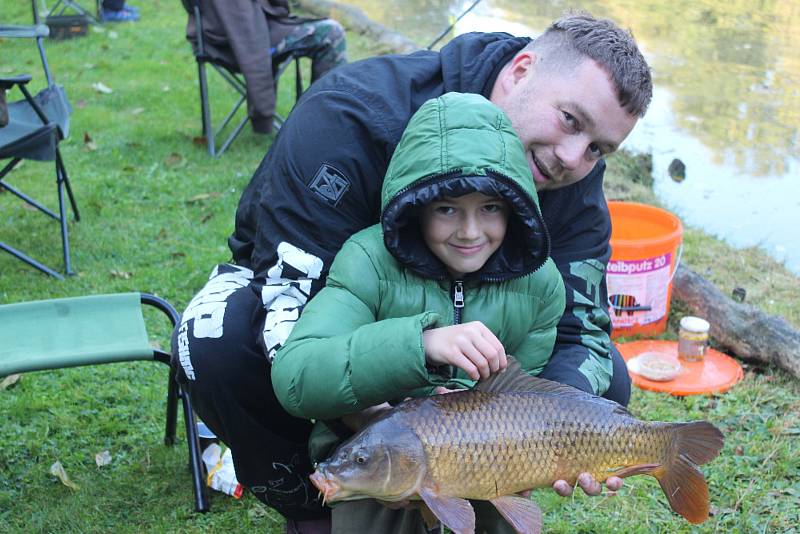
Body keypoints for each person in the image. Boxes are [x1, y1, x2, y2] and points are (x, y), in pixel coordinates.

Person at [171, 11, 652, 534]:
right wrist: (387, 424)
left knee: (609, 384)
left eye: (598, 148)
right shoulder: (350, 115)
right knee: (210, 339)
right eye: (570, 120)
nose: (571, 158)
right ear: (521, 70)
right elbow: (289, 300)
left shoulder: (571, 170)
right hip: (326, 295)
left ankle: (471, 487)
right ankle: (311, 502)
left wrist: (545, 429)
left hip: (475, 359)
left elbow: (581, 329)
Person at [272, 91, 567, 533]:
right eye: (447, 209)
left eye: (490, 209)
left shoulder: (539, 283)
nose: (470, 232)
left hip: (489, 457)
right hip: (375, 445)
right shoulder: (367, 260)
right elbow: (296, 377)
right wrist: (420, 346)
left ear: (516, 209)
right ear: (416, 207)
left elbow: (523, 393)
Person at [181, 0, 347, 135]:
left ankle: (325, 121)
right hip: (239, 39)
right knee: (332, 33)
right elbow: (244, 28)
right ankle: (328, 125)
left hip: (216, 36)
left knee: (329, 30)